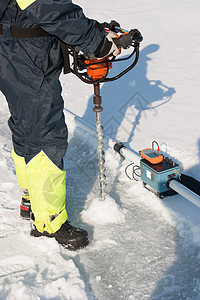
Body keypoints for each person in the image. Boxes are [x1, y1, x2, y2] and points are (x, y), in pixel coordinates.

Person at [0, 0, 133, 250]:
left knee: (24, 124)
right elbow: (47, 6)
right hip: (28, 54)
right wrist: (97, 42)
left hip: (10, 47)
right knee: (45, 135)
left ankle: (31, 197)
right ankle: (49, 221)